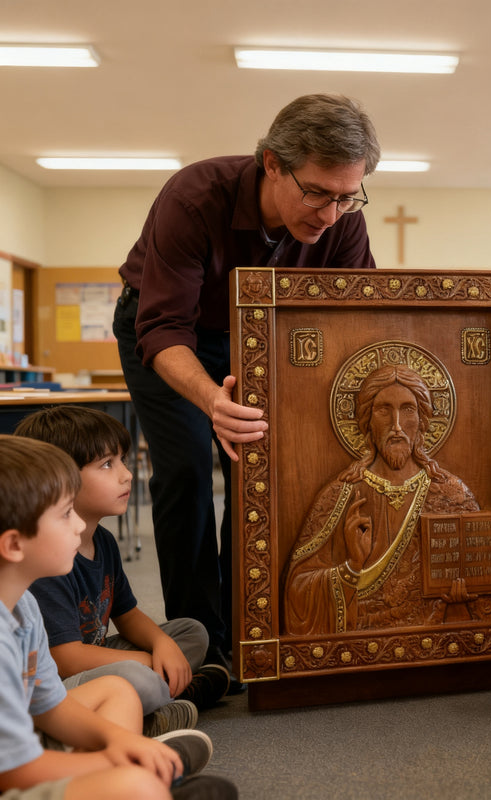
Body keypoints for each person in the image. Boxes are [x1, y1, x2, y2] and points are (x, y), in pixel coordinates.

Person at [112, 94, 381, 667]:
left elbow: (359, 320)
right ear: (272, 164)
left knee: (259, 469)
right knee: (186, 467)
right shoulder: (193, 197)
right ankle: (202, 643)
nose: (331, 214)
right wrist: (212, 399)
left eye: (345, 197)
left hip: (256, 339)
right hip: (169, 331)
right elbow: (161, 328)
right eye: (316, 193)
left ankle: (247, 629)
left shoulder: (342, 221)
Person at [0, 434, 238, 800]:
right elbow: (16, 771)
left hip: (23, 748)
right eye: (65, 515)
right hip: (15, 771)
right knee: (136, 783)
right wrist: (122, 761)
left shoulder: (22, 607)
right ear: (14, 545)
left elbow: (50, 706)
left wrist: (120, 741)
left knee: (119, 690)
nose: (77, 526)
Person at [16, 406, 230, 737]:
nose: (127, 474)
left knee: (191, 633)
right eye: (107, 464)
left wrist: (161, 644)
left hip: (94, 659)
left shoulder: (103, 541)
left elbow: (127, 615)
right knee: (138, 677)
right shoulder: (49, 558)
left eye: (123, 460)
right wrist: (148, 663)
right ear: (61, 478)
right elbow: (66, 659)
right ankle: (160, 704)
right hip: (60, 681)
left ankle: (159, 700)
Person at [284, 364, 491, 634]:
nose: (397, 425)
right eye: (383, 410)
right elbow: (297, 591)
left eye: (408, 410)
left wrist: (462, 600)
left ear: (423, 421)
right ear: (367, 421)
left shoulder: (451, 494)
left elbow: (488, 591)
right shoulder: (340, 494)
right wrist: (352, 566)